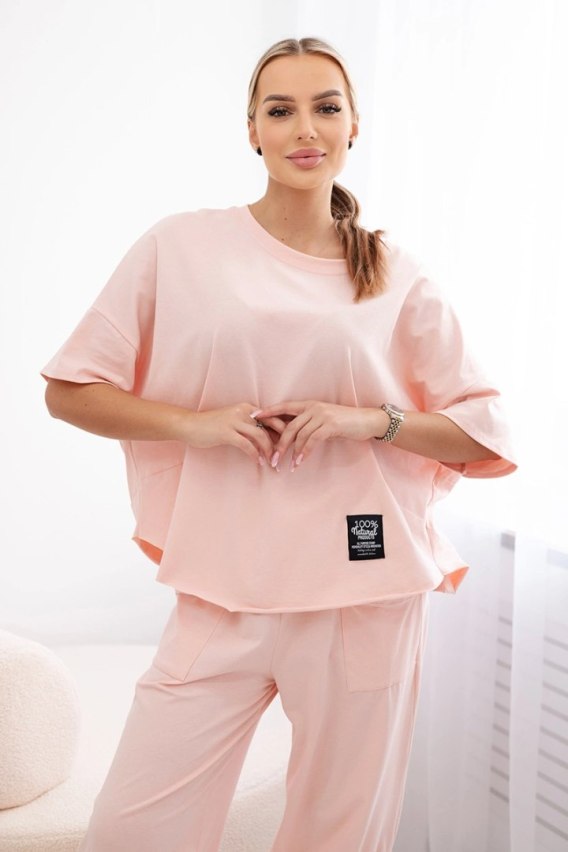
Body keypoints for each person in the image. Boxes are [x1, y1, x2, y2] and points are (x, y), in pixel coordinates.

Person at [41, 35, 517, 852]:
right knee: (132, 831)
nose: (306, 128)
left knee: (338, 835)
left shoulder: (395, 273)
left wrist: (369, 419)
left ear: (354, 125)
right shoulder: (180, 247)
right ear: (251, 130)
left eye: (326, 107)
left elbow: (484, 429)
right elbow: (71, 389)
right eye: (281, 109)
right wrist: (193, 424)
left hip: (363, 591)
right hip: (222, 584)